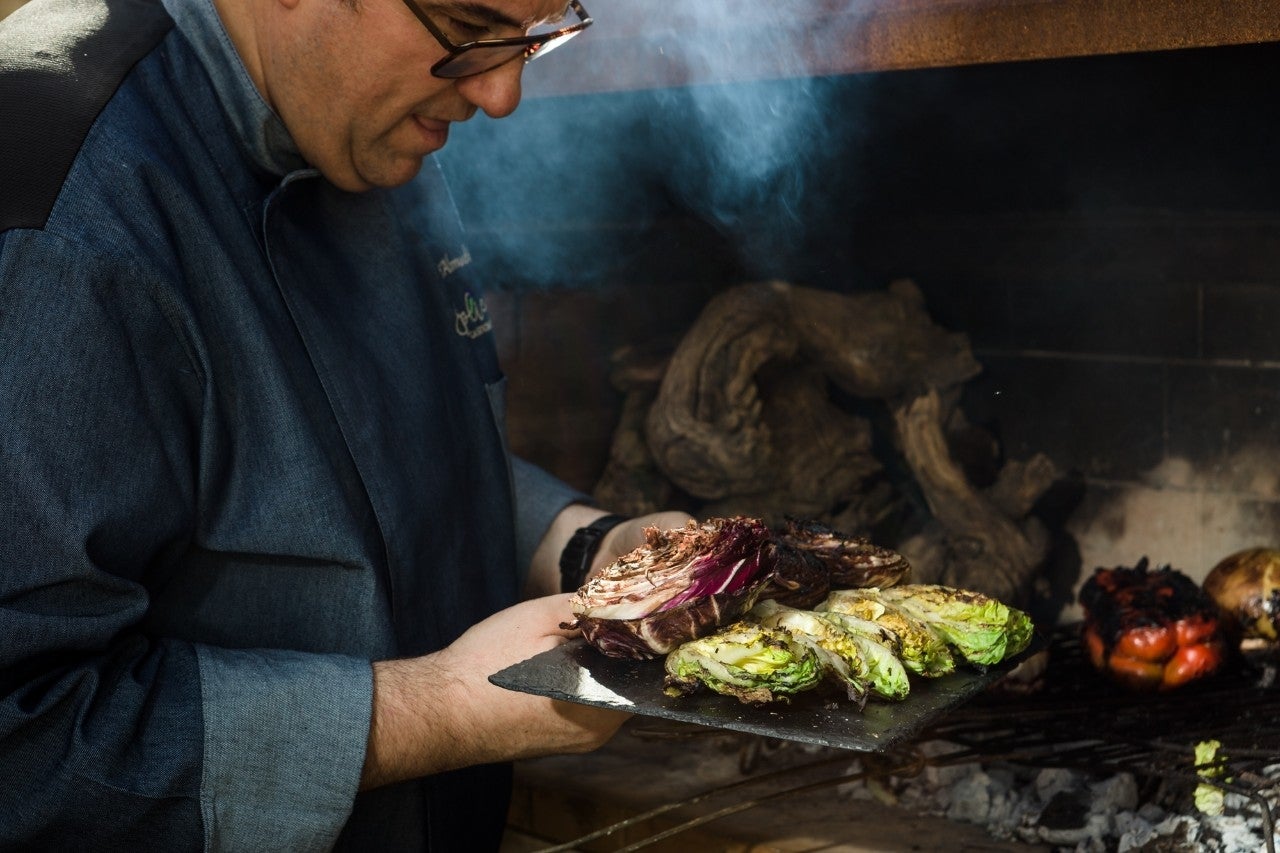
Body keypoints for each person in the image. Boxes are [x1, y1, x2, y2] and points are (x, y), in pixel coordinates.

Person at [0, 0, 689, 848]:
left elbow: (376, 461)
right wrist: (440, 710)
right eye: (470, 26)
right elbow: (21, 744)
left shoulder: (366, 123)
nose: (502, 93)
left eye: (538, 32)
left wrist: (586, 546)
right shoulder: (59, 212)